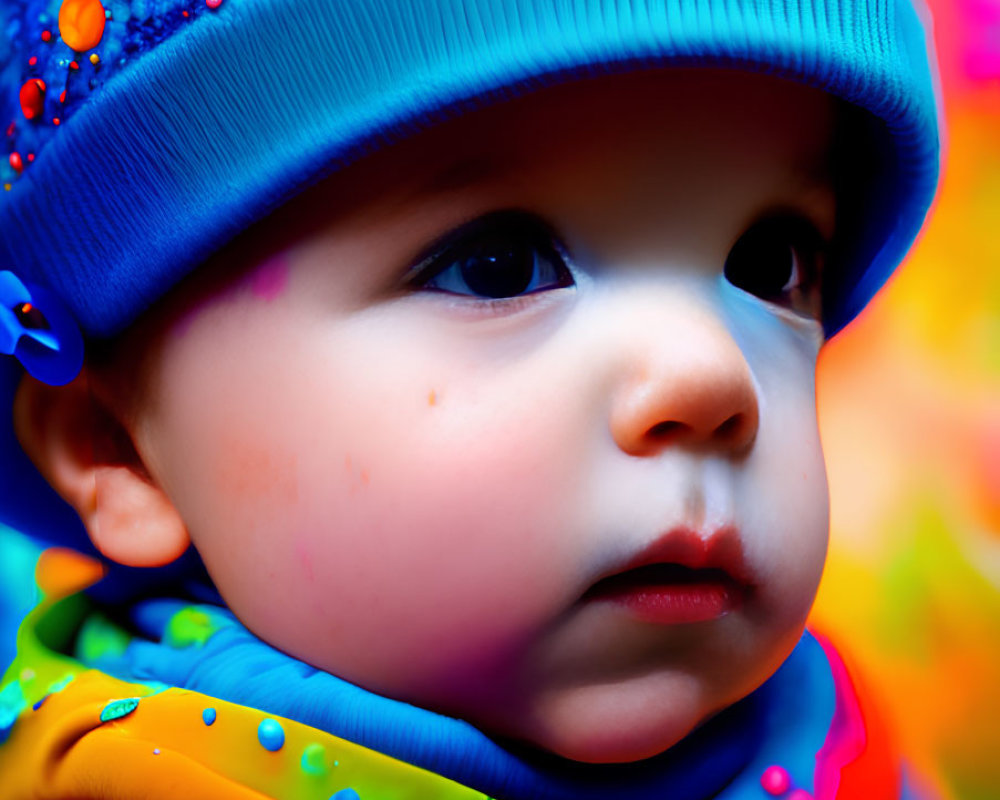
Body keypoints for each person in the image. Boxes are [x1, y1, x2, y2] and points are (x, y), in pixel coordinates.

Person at [0, 0, 942, 797]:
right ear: (119, 451)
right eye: (498, 268)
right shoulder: (139, 774)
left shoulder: (833, 737)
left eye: (768, 266)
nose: (710, 376)